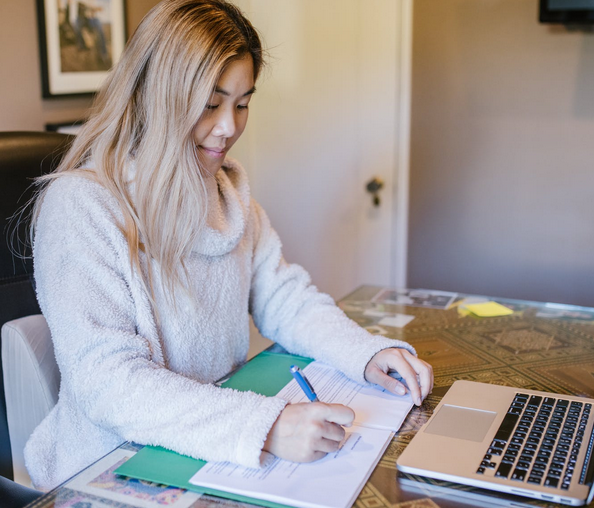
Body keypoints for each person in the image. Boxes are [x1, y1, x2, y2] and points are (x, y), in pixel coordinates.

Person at [24, 0, 434, 491]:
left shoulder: (225, 192)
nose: (229, 127)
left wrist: (365, 354)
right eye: (211, 103)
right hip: (109, 465)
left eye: (242, 103)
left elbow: (285, 299)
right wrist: (267, 425)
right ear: (158, 95)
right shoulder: (81, 207)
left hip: (210, 445)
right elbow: (109, 385)